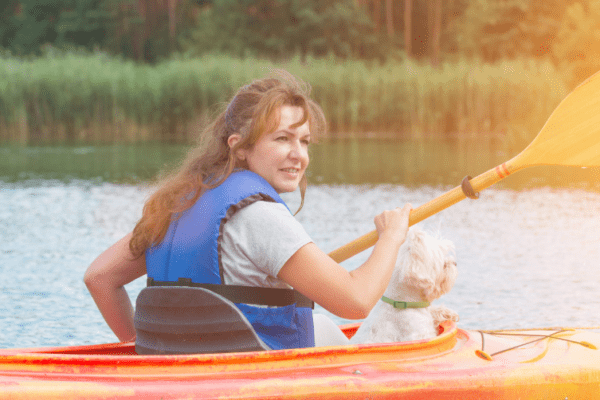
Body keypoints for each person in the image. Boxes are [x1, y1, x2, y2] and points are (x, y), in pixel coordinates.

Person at [84, 70, 412, 350]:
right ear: (240, 146)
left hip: (182, 376)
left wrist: (147, 351)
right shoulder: (260, 216)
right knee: (331, 330)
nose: (299, 155)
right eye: (283, 139)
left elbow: (99, 278)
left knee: (319, 322)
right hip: (253, 376)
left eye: (305, 141)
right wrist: (391, 237)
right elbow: (356, 300)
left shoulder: (175, 204)